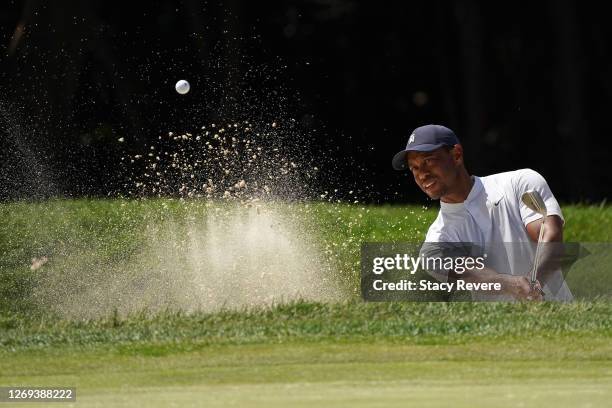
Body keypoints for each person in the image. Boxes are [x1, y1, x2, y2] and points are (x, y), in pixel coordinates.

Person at [392, 124, 572, 301]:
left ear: (456, 155)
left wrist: (534, 283)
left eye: (428, 161)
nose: (422, 174)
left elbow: (549, 234)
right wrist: (512, 285)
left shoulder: (520, 182)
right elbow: (473, 274)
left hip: (563, 321)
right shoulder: (435, 244)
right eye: (414, 168)